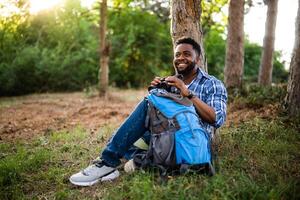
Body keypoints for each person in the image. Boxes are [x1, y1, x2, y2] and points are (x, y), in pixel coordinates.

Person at [69, 37, 227, 186]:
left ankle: (108, 162)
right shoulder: (171, 81)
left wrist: (187, 93)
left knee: (146, 106)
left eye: (187, 54)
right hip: (165, 133)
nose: (180, 58)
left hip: (191, 138)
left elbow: (216, 118)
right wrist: (157, 92)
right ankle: (129, 163)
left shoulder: (212, 83)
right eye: (177, 54)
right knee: (129, 136)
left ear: (198, 59)